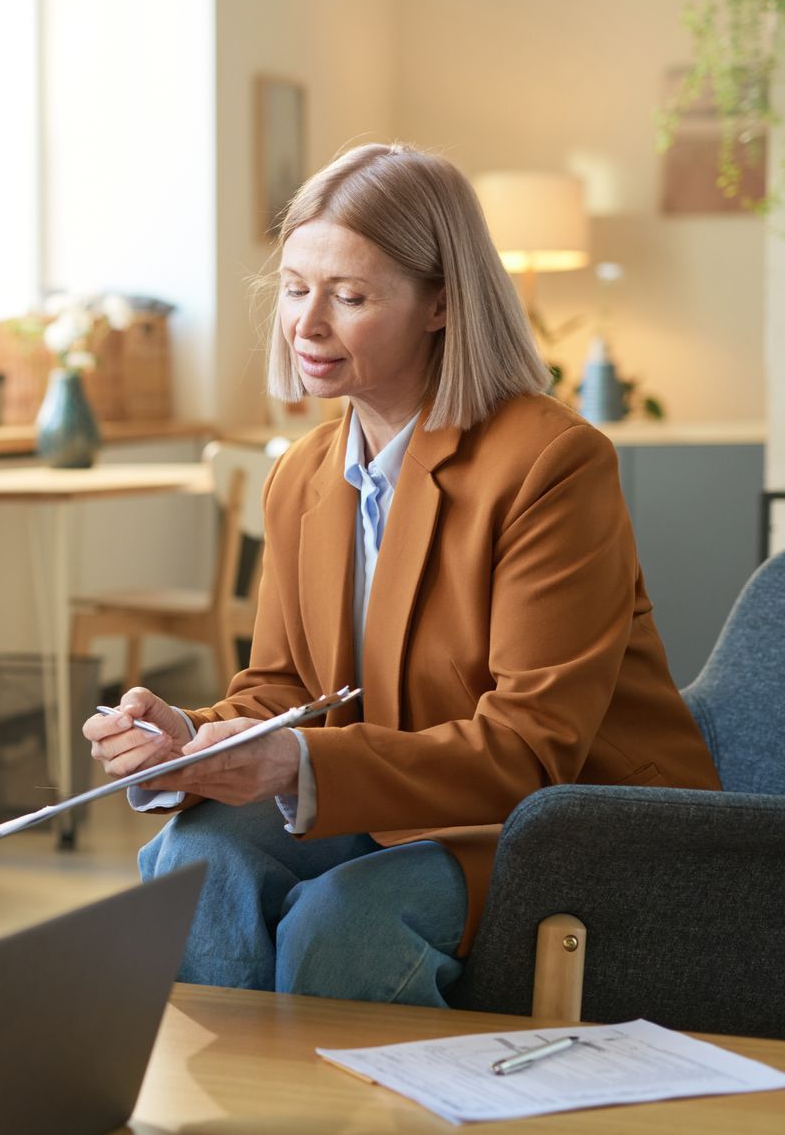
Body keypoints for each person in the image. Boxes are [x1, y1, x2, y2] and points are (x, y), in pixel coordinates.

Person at [81, 142, 720, 1007]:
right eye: (297, 288)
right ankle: (239, 1133)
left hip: (561, 817)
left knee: (341, 922)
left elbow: (533, 748)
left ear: (441, 306)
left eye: (349, 297)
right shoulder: (301, 474)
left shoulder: (553, 464)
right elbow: (281, 689)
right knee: (195, 858)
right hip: (395, 807)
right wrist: (188, 740)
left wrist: (292, 764)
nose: (307, 324)